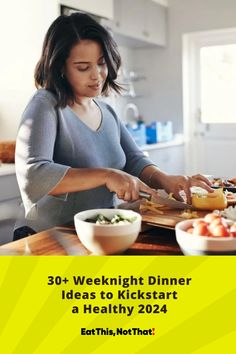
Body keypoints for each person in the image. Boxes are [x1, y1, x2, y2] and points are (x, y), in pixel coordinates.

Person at [14, 12, 212, 238]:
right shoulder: (44, 105)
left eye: (101, 63)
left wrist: (166, 180)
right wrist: (107, 175)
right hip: (48, 236)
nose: (97, 76)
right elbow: (34, 174)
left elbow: (135, 160)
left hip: (97, 232)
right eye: (82, 67)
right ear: (60, 67)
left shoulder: (106, 110)